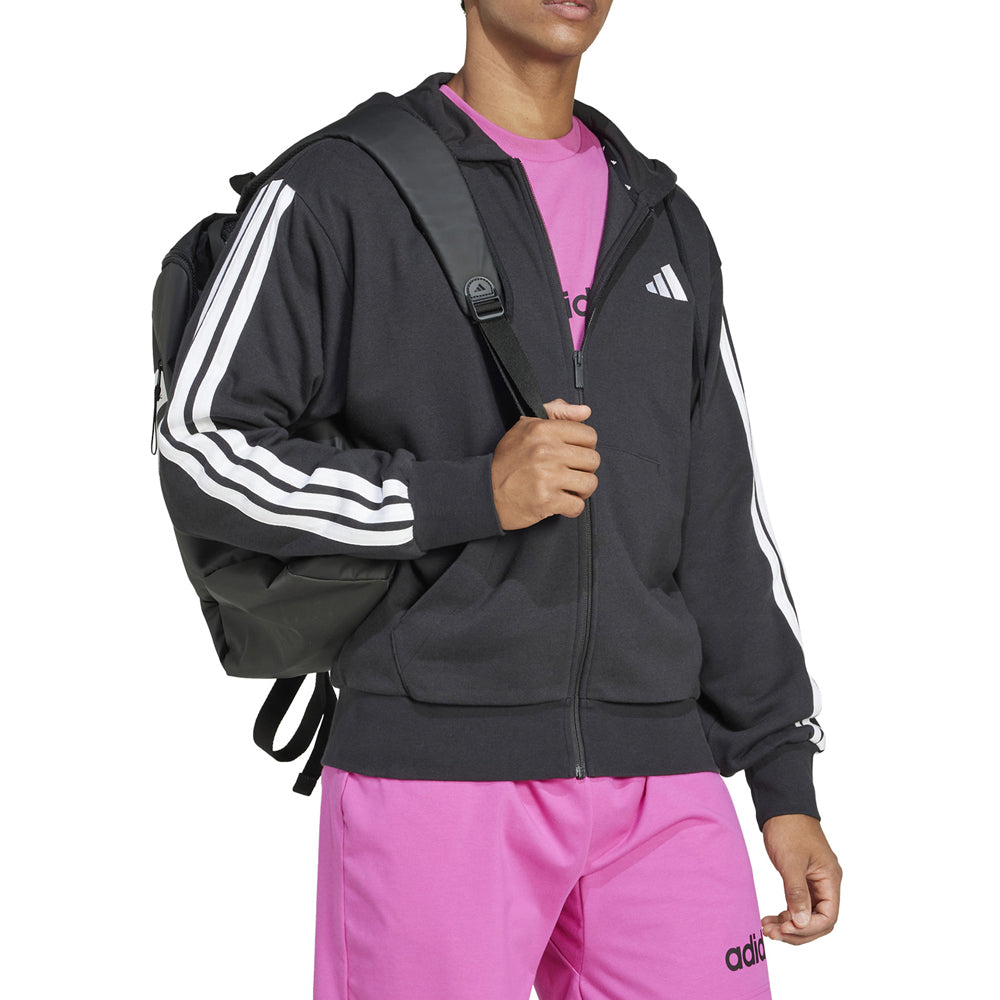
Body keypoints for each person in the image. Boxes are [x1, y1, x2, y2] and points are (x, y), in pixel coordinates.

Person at [157, 1, 842, 996]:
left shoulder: (663, 217)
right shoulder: (340, 188)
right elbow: (203, 447)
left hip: (663, 774)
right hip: (434, 767)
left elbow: (723, 522)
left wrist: (782, 774)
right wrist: (466, 493)